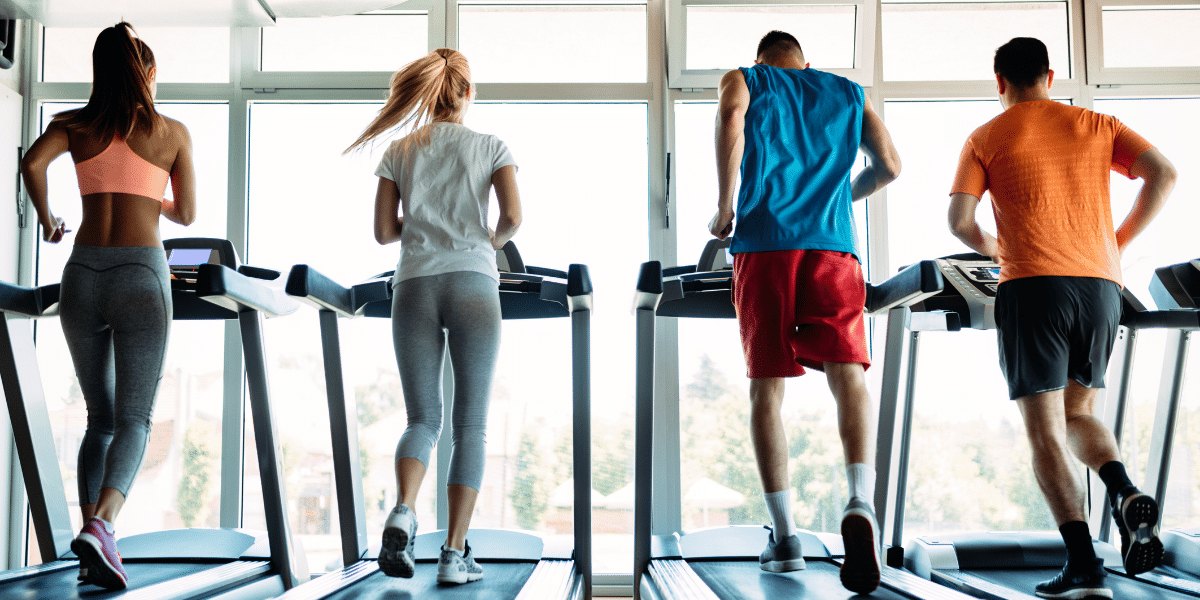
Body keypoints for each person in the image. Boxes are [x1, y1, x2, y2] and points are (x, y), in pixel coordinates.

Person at [947, 37, 1176, 600]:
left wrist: (997, 249)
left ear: (1000, 82)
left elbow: (960, 222)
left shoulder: (985, 137)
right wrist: (1115, 243)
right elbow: (1163, 174)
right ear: (1050, 77)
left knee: (1046, 429)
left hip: (1033, 286)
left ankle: (1084, 566)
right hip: (1101, 286)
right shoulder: (1098, 124)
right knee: (1078, 412)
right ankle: (1122, 489)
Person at [709, 30, 901, 594]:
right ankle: (860, 500)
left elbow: (731, 116)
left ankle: (786, 537)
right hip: (834, 246)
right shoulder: (848, 91)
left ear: (760, 60)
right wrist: (838, 197)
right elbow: (890, 166)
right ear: (805, 63)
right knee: (848, 375)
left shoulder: (745, 79)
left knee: (766, 391)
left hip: (764, 243)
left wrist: (724, 205)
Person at [20, 22, 196, 591]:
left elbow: (31, 165)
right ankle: (103, 526)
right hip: (141, 273)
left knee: (99, 417)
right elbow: (187, 214)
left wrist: (48, 220)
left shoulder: (73, 125)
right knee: (135, 419)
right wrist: (149, 195)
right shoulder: (171, 133)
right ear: (148, 74)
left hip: (82, 275)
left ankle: (90, 540)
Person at [345, 48, 520, 586]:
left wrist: (425, 224)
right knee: (471, 426)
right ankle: (453, 553)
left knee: (422, 420)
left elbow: (383, 231)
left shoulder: (400, 149)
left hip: (414, 285)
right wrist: (485, 241)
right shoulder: (491, 146)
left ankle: (403, 510)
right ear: (467, 92)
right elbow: (513, 218)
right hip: (473, 282)